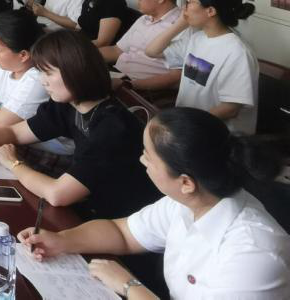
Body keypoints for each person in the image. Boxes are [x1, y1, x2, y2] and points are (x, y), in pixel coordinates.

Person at [19, 108, 290, 299]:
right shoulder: (189, 202)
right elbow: (123, 233)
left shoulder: (253, 253)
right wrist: (62, 240)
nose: (141, 161)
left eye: (148, 156)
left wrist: (129, 286)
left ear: (185, 182)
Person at [0, 30, 160, 219]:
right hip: (94, 206)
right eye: (40, 72)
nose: (43, 81)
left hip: (121, 220)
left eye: (48, 73)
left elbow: (58, 194)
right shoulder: (69, 105)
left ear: (76, 70)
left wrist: (14, 163)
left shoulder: (112, 129)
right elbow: (13, 132)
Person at [145, 0, 259, 135]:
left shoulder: (237, 52)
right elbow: (152, 51)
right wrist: (180, 24)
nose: (183, 8)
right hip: (187, 127)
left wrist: (187, 125)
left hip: (216, 135)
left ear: (210, 11)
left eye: (188, 2)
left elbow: (230, 108)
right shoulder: (197, 38)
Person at [101, 0, 184, 92]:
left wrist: (129, 85)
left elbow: (176, 77)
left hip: (141, 89)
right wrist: (84, 56)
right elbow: (117, 50)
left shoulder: (180, 27)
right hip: (119, 75)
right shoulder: (144, 19)